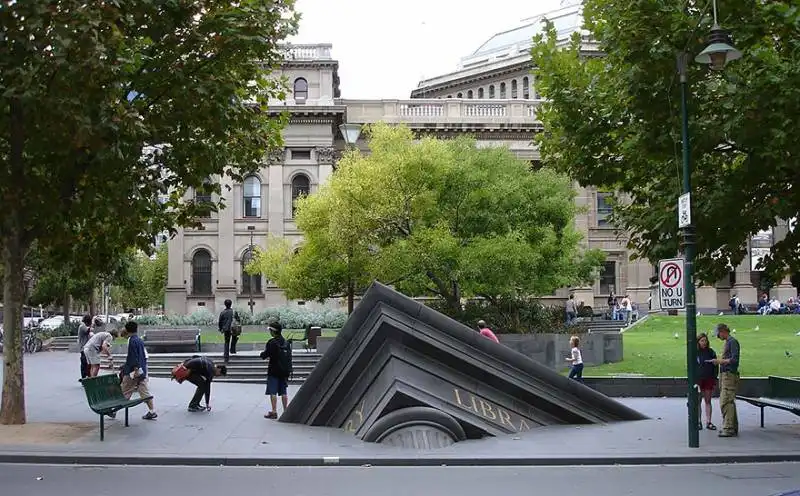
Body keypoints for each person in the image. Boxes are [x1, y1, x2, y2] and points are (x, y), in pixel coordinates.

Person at [121, 321, 158, 420]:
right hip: (142, 370)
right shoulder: (139, 340)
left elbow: (133, 357)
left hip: (134, 371)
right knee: (143, 390)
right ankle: (152, 411)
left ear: (127, 330)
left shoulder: (132, 341)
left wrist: (134, 369)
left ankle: (113, 410)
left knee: (124, 389)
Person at [710, 323, 739, 437]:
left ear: (723, 331)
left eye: (718, 334)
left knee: (726, 402)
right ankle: (732, 426)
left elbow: (734, 360)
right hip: (725, 375)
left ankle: (728, 428)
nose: (718, 337)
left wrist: (720, 361)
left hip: (729, 375)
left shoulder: (732, 342)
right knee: (728, 401)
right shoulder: (729, 342)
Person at [260, 322, 293, 419]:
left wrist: (262, 354)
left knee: (273, 391)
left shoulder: (272, 342)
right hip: (284, 371)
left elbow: (266, 354)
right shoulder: (286, 343)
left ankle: (274, 411)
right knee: (284, 391)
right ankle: (286, 411)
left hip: (273, 370)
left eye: (270, 330)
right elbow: (289, 357)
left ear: (273, 332)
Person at [696, 332, 718, 431]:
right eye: (702, 341)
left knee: (708, 401)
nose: (704, 342)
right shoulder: (695, 353)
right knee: (698, 401)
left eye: (705, 340)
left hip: (708, 379)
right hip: (698, 380)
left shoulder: (711, 352)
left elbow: (715, 365)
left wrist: (714, 377)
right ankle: (698, 421)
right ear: (698, 342)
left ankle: (708, 421)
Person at [77, 314, 92, 380]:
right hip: (83, 348)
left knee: (87, 363)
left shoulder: (84, 326)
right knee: (84, 363)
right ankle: (84, 377)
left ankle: (86, 376)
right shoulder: (82, 326)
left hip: (87, 348)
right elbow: (87, 331)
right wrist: (93, 324)